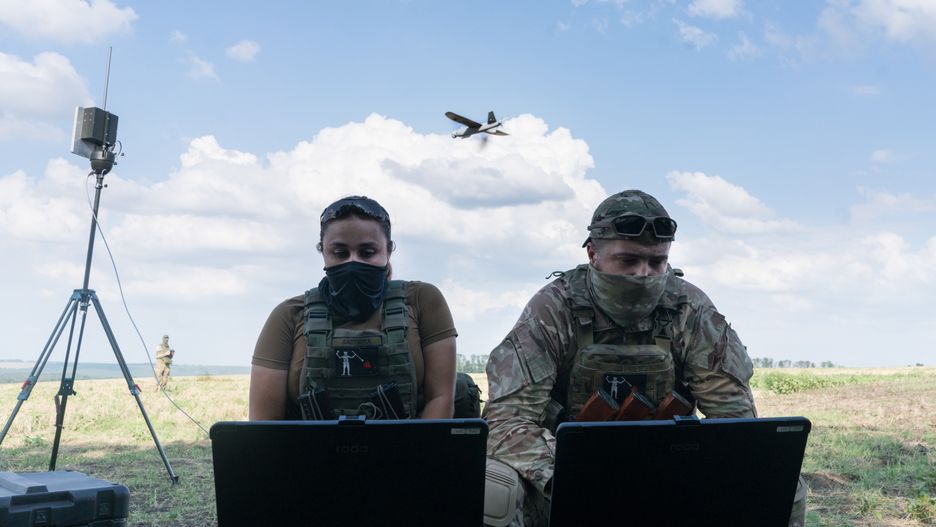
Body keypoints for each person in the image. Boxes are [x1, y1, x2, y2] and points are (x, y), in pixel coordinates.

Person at [481, 190, 806, 527]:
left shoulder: (690, 308)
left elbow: (735, 423)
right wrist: (578, 475)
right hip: (565, 477)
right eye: (628, 260)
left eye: (656, 262)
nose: (643, 273)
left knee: (782, 484)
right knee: (495, 488)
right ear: (593, 253)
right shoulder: (553, 308)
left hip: (669, 473)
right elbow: (507, 422)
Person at [249, 196, 458, 420]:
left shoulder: (421, 301)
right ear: (323, 251)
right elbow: (264, 424)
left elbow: (441, 400)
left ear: (388, 251)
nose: (353, 262)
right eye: (340, 253)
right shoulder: (289, 315)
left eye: (367, 252)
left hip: (413, 443)